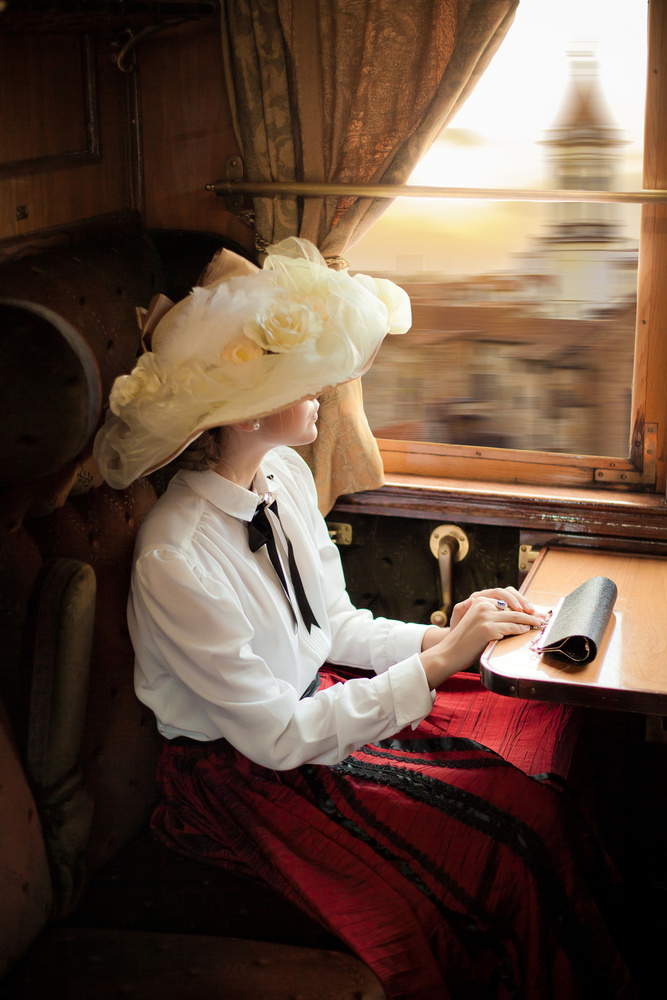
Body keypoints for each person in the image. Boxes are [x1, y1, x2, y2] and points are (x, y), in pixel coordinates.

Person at [94, 238, 635, 1000]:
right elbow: (278, 737)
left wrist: (450, 636)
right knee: (511, 832)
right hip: (249, 770)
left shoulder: (278, 473)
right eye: (305, 377)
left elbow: (337, 628)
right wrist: (439, 664)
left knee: (553, 726)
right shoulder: (174, 559)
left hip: (315, 701)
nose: (325, 389)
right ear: (245, 413)